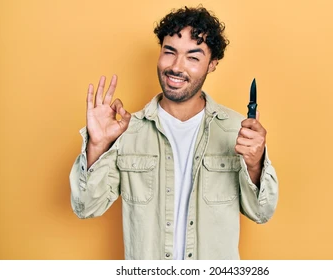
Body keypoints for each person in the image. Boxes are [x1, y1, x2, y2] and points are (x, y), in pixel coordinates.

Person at [69, 5, 278, 260]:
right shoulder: (127, 130)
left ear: (212, 64)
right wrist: (97, 147)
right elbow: (85, 206)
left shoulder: (238, 130)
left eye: (193, 57)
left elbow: (262, 212)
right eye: (170, 52)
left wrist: (255, 165)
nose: (177, 67)